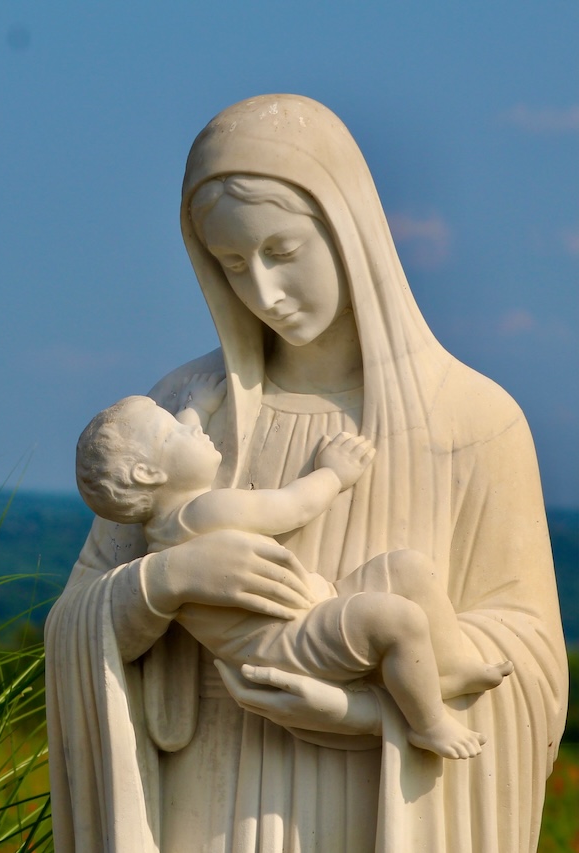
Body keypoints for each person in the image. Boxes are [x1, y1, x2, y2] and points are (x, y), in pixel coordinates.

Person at [44, 95, 566, 852]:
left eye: (282, 252)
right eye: (231, 264)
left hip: (363, 815)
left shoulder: (476, 421)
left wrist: (359, 715)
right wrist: (163, 582)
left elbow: (529, 669)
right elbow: (74, 623)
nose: (261, 292)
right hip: (203, 808)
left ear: (349, 231)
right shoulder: (182, 409)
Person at [74, 383, 512, 759]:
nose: (192, 428)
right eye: (177, 428)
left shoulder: (169, 527)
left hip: (311, 605)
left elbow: (173, 449)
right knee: (399, 619)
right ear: (148, 472)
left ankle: (449, 666)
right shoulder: (207, 509)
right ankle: (429, 722)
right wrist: (334, 473)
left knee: (407, 568)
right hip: (290, 640)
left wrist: (199, 408)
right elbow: (292, 506)